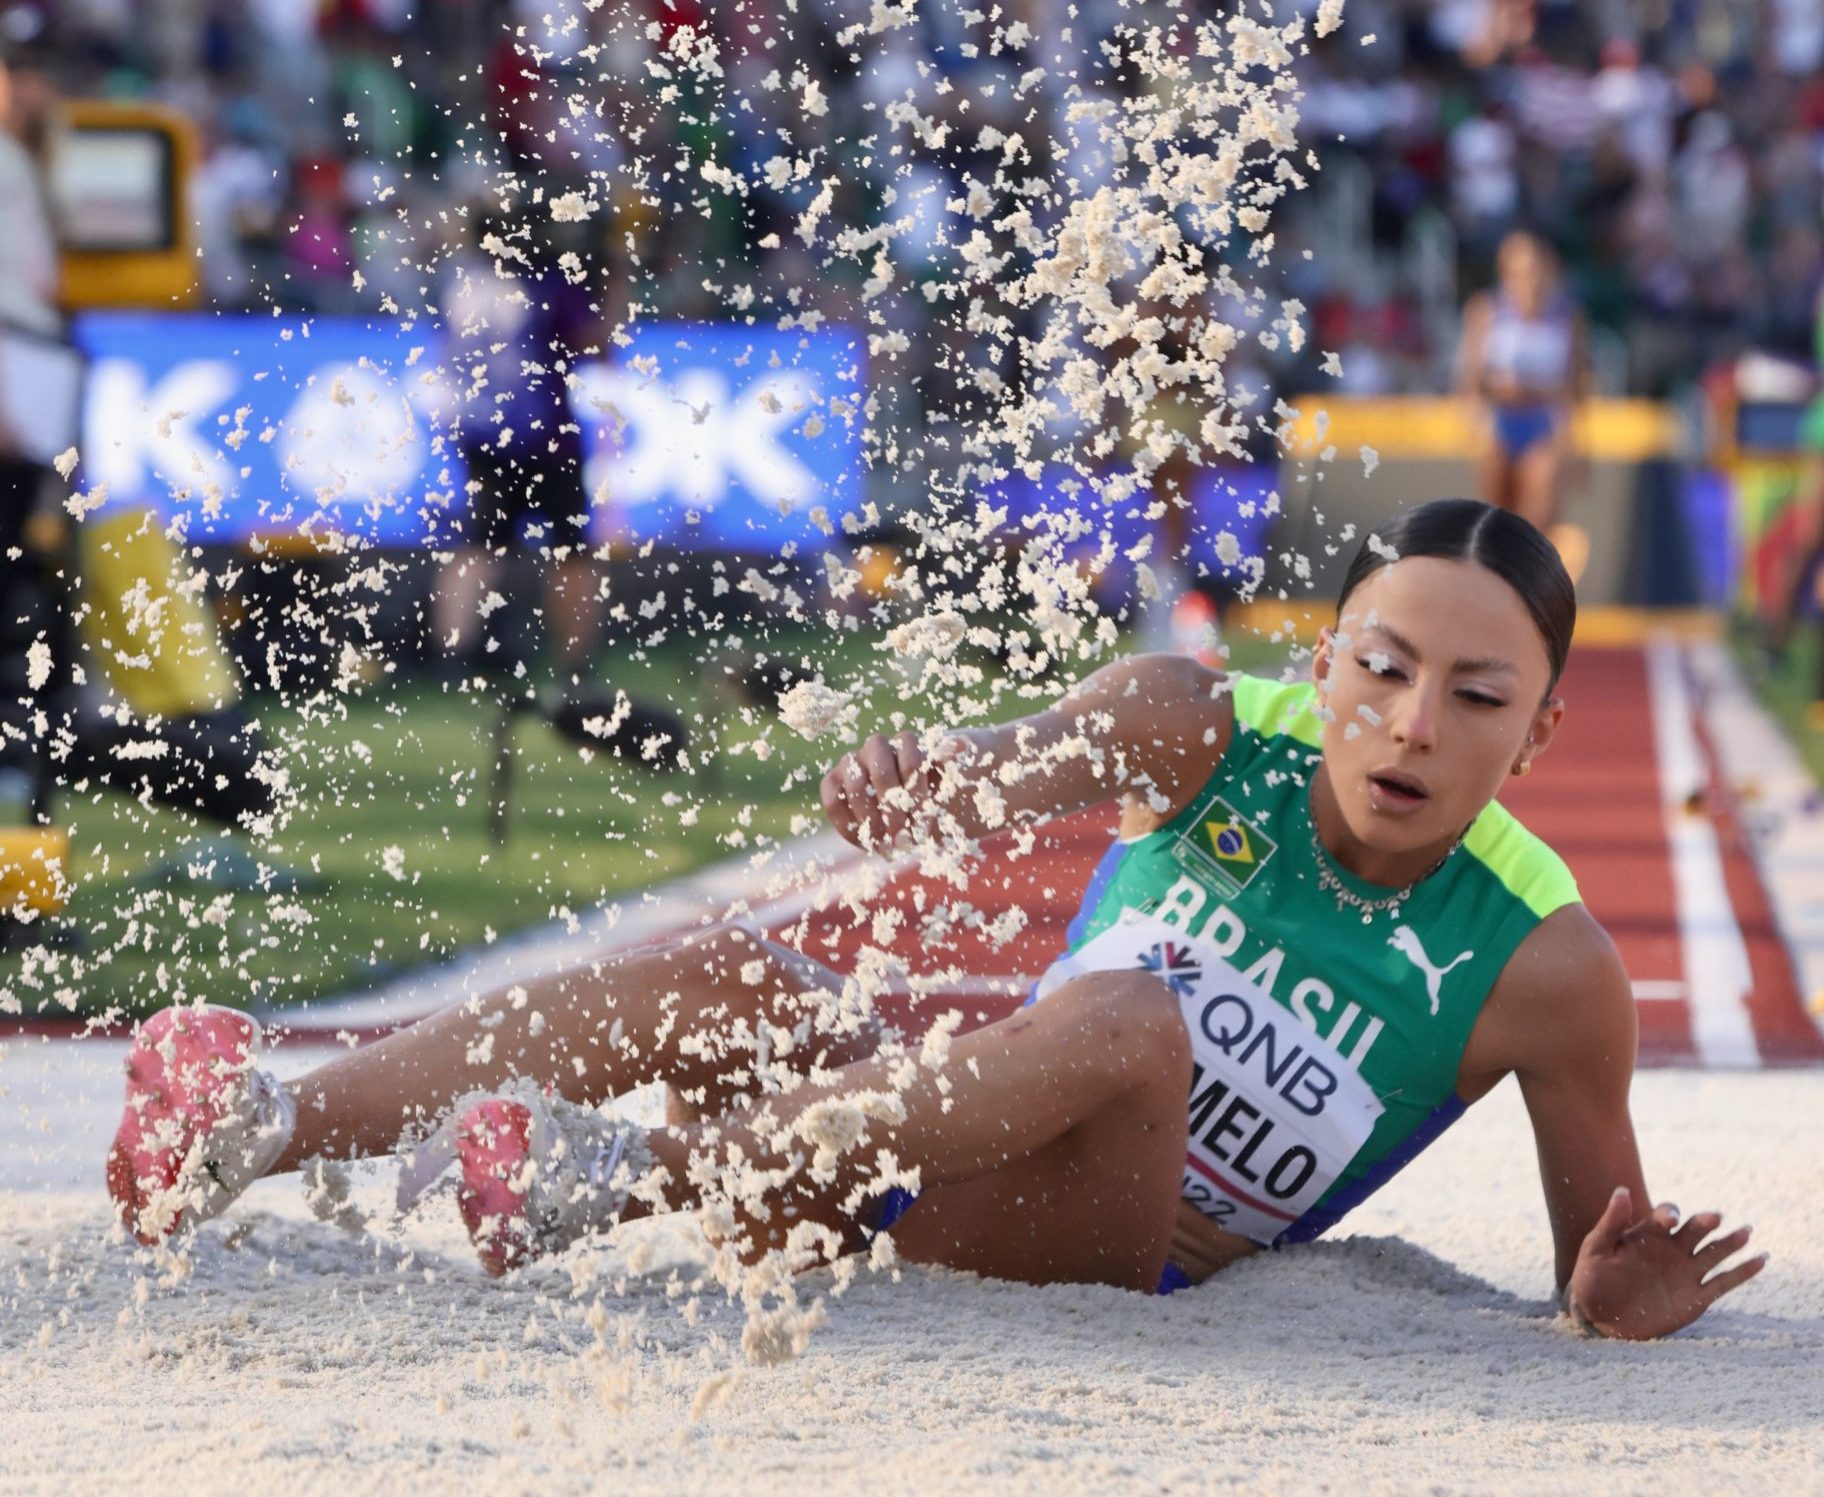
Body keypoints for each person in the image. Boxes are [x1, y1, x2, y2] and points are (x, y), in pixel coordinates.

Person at [106, 499, 1764, 1341]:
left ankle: (636, 1176)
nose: (1406, 724)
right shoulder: (1189, 720)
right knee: (728, 969)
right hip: (895, 1153)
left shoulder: (1544, 969)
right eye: (1378, 670)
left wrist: (1602, 1304)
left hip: (1098, 1259)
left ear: (1535, 735)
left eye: (1470, 696)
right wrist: (922, 776)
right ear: (1320, 662)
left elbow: (1586, 1269)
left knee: (1133, 1023)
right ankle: (260, 1119)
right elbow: (989, 771)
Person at [1456, 233, 1588, 547]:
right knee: (1495, 519)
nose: (1527, 280)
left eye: (1534, 270)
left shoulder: (1566, 317)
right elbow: (1473, 376)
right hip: (1501, 420)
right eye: (1518, 271)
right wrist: (1475, 418)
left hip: (1542, 422)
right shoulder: (1488, 310)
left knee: (1535, 517)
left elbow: (1576, 382)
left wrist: (1576, 440)